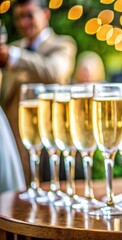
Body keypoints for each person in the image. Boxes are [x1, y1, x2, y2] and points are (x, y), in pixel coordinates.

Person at [0, 0, 77, 185]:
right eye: (19, 17)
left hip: (48, 140)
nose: (23, 22)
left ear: (46, 14)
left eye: (29, 15)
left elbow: (55, 72)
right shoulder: (14, 48)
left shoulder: (62, 45)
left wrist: (13, 56)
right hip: (12, 141)